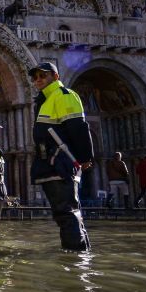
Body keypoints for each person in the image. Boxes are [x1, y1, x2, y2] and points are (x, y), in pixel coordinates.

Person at [28, 62, 94, 251]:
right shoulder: (45, 99)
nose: (38, 80)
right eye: (35, 77)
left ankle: (75, 260)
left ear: (55, 77)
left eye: (43, 75)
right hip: (49, 162)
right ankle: (81, 255)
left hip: (61, 162)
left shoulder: (64, 95)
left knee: (66, 213)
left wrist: (84, 158)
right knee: (65, 213)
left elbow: (79, 128)